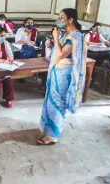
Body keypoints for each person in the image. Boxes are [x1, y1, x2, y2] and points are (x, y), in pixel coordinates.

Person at [38, 8, 86, 145]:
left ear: (70, 20)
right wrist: (53, 43)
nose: (59, 20)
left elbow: (60, 55)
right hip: (56, 71)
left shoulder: (75, 37)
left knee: (58, 103)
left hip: (64, 74)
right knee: (50, 101)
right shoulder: (66, 34)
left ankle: (53, 135)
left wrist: (54, 37)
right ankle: (48, 130)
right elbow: (59, 50)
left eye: (62, 17)